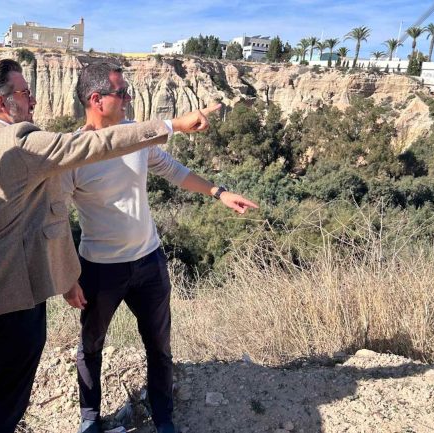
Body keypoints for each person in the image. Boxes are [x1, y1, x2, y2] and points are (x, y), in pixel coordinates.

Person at [0, 58, 221, 433]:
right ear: (2, 103)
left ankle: (159, 417)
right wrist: (172, 125)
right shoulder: (20, 141)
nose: (33, 102)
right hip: (18, 299)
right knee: (7, 402)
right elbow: (93, 153)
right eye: (26, 93)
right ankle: (88, 418)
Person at [62, 62, 259, 433]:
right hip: (100, 269)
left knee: (159, 347)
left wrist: (219, 192)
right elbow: (55, 220)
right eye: (122, 94)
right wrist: (66, 277)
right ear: (96, 100)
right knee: (90, 347)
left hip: (149, 262)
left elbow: (173, 170)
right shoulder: (74, 153)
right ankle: (89, 418)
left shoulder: (135, 136)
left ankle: (164, 419)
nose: (129, 99)